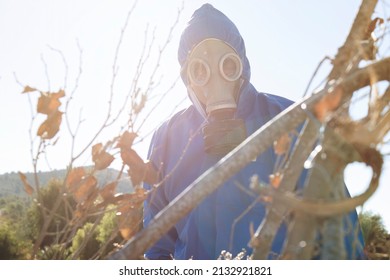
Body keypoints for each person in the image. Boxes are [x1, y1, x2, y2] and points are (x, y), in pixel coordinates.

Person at [140, 3, 364, 260]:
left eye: (227, 65)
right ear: (187, 77)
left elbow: (338, 224)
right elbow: (156, 242)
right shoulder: (167, 140)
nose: (216, 80)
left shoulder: (290, 119)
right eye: (199, 69)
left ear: (242, 65)